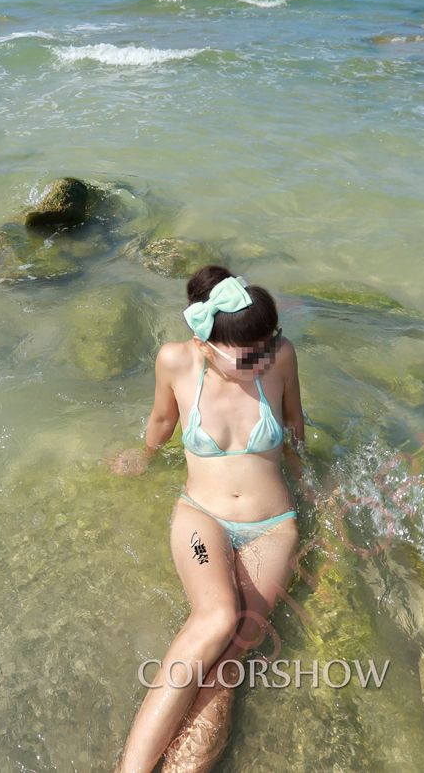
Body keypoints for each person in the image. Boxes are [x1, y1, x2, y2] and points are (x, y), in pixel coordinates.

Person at [111, 265, 305, 772]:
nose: (264, 358)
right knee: (215, 618)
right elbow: (162, 419)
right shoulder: (176, 361)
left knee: (232, 653)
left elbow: (295, 426)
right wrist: (144, 456)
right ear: (206, 346)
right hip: (203, 521)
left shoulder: (281, 355)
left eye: (268, 344)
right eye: (249, 354)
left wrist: (316, 487)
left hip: (272, 527)